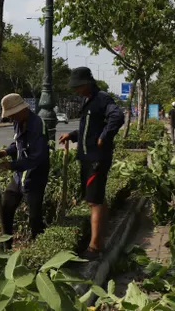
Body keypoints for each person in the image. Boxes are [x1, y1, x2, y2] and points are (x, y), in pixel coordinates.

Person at [58, 67, 124, 260]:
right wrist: (71, 135)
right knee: (98, 199)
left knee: (93, 202)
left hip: (96, 158)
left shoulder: (102, 98)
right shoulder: (88, 101)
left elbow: (117, 117)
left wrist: (104, 137)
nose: (75, 91)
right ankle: (101, 238)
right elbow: (88, 131)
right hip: (88, 157)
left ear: (87, 83)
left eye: (77, 87)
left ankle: (94, 247)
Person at [0, 93, 50, 247]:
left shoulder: (37, 124)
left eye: (12, 115)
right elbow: (17, 144)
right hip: (19, 176)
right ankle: (6, 246)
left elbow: (37, 157)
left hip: (35, 177)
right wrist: (4, 153)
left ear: (22, 110)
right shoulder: (18, 122)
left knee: (34, 218)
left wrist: (12, 165)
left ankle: (39, 249)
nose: (11, 118)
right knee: (5, 210)